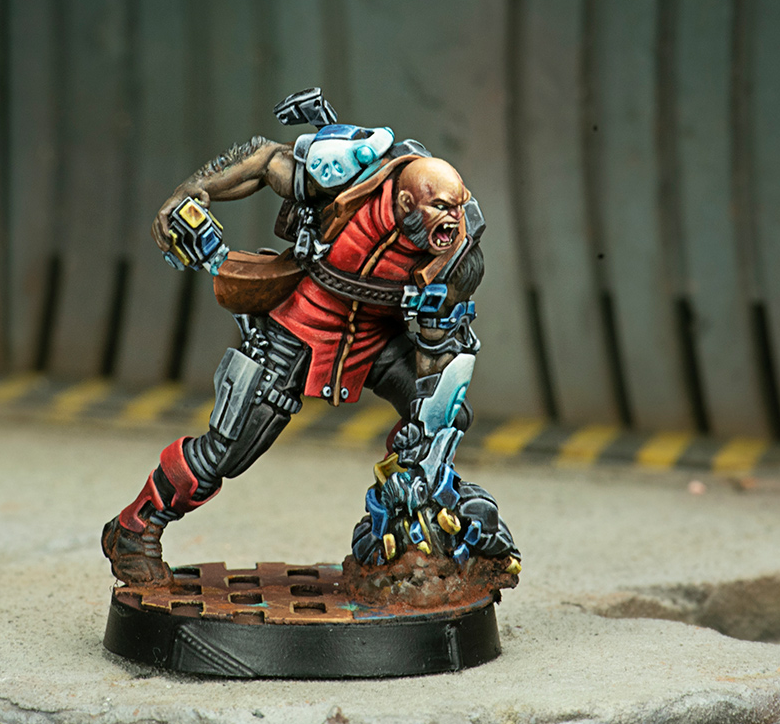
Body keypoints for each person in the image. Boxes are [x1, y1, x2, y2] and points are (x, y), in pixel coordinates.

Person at [100, 89, 519, 585]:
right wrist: (192, 191)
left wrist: (428, 423)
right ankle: (136, 527)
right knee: (231, 447)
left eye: (457, 208)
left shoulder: (458, 251)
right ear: (407, 201)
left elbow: (437, 342)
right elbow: (263, 159)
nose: (451, 221)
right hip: (299, 328)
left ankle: (404, 526)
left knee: (437, 419)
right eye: (440, 209)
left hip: (376, 339)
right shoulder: (347, 172)